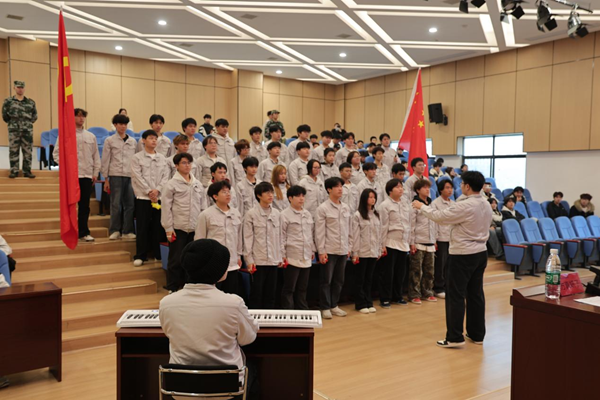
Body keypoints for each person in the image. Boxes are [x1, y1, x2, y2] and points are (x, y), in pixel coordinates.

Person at [159, 239, 258, 394]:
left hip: (181, 388)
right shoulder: (233, 304)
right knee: (254, 369)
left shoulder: (166, 303)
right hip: (226, 389)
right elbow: (248, 338)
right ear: (217, 270)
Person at [412, 171, 492, 348]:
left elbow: (440, 218)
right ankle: (477, 334)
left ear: (467, 186)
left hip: (463, 254)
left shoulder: (465, 206)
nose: (460, 186)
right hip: (481, 252)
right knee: (476, 294)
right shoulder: (485, 203)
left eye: (462, 184)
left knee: (455, 295)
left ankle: (455, 337)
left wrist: (421, 207)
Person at [52, 108, 100, 242]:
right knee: (70, 205)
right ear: (72, 117)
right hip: (72, 176)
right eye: (78, 116)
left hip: (86, 175)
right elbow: (56, 154)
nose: (81, 118)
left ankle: (83, 232)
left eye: (83, 116)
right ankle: (70, 231)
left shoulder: (91, 136)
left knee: (84, 205)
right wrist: (67, 168)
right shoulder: (65, 134)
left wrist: (95, 172)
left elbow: (96, 156)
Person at [161, 153, 206, 292]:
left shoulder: (197, 184)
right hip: (178, 227)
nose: (187, 166)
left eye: (189, 163)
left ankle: (189, 287)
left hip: (194, 228)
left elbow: (203, 207)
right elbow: (166, 208)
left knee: (192, 259)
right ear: (176, 166)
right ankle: (172, 287)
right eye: (184, 163)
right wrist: (168, 228)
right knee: (176, 259)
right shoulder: (171, 184)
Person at [195, 181, 244, 296]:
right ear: (215, 196)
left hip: (232, 263)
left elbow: (239, 237)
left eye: (228, 191)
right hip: (213, 264)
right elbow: (199, 241)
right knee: (214, 296)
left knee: (231, 296)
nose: (228, 194)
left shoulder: (236, 213)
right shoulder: (206, 215)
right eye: (224, 192)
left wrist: (238, 255)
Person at [131, 130, 169, 267]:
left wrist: (157, 190)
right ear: (143, 140)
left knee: (158, 226)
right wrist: (149, 191)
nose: (154, 140)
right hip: (143, 197)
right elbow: (137, 176)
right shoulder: (136, 158)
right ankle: (141, 255)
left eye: (155, 138)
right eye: (150, 138)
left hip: (159, 197)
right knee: (142, 227)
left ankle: (158, 254)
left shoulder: (162, 158)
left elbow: (166, 176)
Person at [316, 177, 352, 319]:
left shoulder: (346, 207)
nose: (340, 189)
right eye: (337, 187)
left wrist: (349, 246)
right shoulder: (323, 208)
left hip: (343, 249)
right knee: (326, 280)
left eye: (341, 186)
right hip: (329, 249)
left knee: (339, 280)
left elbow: (349, 229)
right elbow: (319, 231)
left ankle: (334, 304)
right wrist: (321, 251)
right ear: (329, 189)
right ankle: (325, 307)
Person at [244, 182, 283, 309]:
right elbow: (247, 238)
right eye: (267, 192)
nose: (271, 195)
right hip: (258, 260)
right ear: (259, 195)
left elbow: (280, 237)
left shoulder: (277, 213)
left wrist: (281, 256)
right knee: (257, 293)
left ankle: (269, 318)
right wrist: (249, 260)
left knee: (271, 294)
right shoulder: (251, 214)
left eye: (271, 192)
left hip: (273, 260)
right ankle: (254, 319)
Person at [101, 114, 137, 240]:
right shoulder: (109, 140)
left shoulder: (133, 141)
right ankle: (115, 230)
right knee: (115, 204)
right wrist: (106, 179)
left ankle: (127, 231)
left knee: (130, 204)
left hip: (129, 176)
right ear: (115, 125)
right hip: (115, 175)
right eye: (120, 124)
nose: (123, 126)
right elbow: (105, 159)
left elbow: (136, 160)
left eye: (125, 124)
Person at [280, 185, 316, 310]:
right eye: (298, 196)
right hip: (292, 256)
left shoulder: (307, 214)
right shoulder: (284, 215)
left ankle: (303, 311)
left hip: (306, 255)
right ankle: (288, 312)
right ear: (290, 198)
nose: (301, 199)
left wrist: (312, 250)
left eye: (303, 196)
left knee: (303, 287)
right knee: (289, 288)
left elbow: (311, 234)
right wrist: (282, 255)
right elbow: (281, 236)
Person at [378, 179, 410, 308]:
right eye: (397, 187)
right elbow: (383, 226)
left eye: (401, 187)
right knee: (388, 273)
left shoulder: (406, 204)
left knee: (400, 273)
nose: (401, 189)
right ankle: (385, 298)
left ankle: (398, 296)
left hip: (403, 242)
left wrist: (409, 241)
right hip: (390, 242)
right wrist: (382, 245)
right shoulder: (384, 205)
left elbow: (409, 223)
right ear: (390, 190)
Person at [351, 188, 383, 314]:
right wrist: (355, 253)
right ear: (364, 198)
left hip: (373, 251)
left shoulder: (376, 215)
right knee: (360, 279)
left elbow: (379, 234)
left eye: (374, 197)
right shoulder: (357, 215)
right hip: (362, 252)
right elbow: (355, 235)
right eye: (370, 197)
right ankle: (360, 303)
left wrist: (379, 250)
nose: (372, 199)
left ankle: (369, 301)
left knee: (369, 279)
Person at [408, 179, 437, 305]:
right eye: (424, 187)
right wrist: (412, 242)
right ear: (418, 190)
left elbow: (434, 222)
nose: (427, 190)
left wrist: (434, 239)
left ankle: (428, 292)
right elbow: (411, 224)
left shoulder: (431, 204)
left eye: (428, 187)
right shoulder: (414, 204)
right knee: (416, 271)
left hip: (430, 241)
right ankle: (414, 294)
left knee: (430, 270)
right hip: (418, 241)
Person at [3, 80, 37, 178]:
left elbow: (34, 116)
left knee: (28, 151)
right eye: (18, 87)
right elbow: (5, 116)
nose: (20, 89)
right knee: (13, 151)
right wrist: (13, 124)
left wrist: (26, 124)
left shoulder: (30, 102)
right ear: (14, 88)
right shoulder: (8, 102)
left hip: (27, 131)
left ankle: (27, 171)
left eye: (22, 87)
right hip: (14, 130)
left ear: (24, 89)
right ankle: (14, 171)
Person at [431, 179, 453, 299]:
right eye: (447, 188)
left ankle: (448, 286)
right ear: (441, 190)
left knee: (450, 264)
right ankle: (438, 288)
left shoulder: (453, 204)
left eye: (451, 188)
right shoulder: (435, 203)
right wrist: (434, 239)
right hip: (441, 237)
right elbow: (434, 222)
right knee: (440, 264)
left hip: (452, 238)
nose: (450, 190)